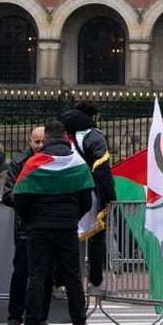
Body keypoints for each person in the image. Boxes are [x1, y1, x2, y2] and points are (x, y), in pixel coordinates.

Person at [11, 119, 94, 325]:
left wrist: (31, 218)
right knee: (72, 276)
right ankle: (79, 324)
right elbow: (87, 199)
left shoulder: (35, 162)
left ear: (46, 138)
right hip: (67, 227)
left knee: (37, 275)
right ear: (66, 137)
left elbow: (20, 196)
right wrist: (72, 216)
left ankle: (32, 324)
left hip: (39, 227)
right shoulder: (77, 162)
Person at [60, 101, 116, 290]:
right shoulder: (95, 136)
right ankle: (95, 281)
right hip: (89, 192)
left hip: (66, 192)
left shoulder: (66, 136)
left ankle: (61, 282)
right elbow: (101, 168)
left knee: (66, 238)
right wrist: (109, 196)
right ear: (92, 117)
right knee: (97, 238)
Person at [1, 125, 47, 325]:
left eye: (43, 141)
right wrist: (29, 203)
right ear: (30, 142)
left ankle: (40, 317)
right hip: (25, 226)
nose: (39, 145)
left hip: (46, 225)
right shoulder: (19, 163)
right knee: (21, 272)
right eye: (36, 141)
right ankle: (14, 317)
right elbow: (7, 194)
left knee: (47, 274)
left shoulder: (53, 161)